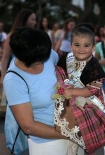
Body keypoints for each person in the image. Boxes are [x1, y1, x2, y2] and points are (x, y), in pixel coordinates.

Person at [3, 27, 73, 155]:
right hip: (47, 143)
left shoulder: (45, 53)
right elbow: (28, 126)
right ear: (30, 58)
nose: (47, 58)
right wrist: (67, 134)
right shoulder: (13, 80)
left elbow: (64, 68)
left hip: (71, 131)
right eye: (41, 58)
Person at [56, 23, 105, 154]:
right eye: (77, 45)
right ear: (70, 46)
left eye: (86, 46)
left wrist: (72, 91)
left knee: (83, 130)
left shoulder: (94, 66)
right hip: (68, 97)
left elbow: (92, 90)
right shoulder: (65, 58)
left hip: (90, 100)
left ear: (93, 47)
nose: (81, 49)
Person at [0, 9, 36, 107]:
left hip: (31, 74)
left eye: (35, 19)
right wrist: (3, 76)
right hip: (16, 75)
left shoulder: (35, 36)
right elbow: (5, 57)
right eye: (32, 19)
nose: (35, 22)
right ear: (24, 20)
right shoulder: (12, 36)